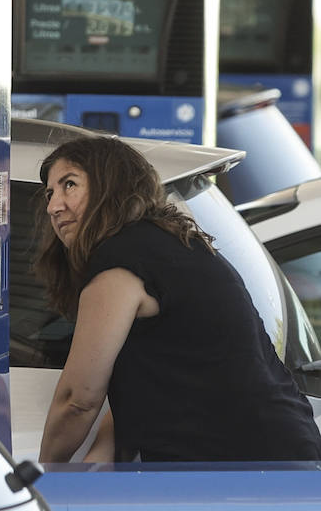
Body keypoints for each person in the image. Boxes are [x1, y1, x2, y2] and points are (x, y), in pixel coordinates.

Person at [35, 135, 321, 463]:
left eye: (69, 185)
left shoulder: (120, 258)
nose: (53, 206)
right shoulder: (169, 246)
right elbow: (140, 387)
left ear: (109, 184)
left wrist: (42, 478)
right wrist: (96, 463)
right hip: (282, 453)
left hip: (244, 468)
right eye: (50, 193)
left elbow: (77, 400)